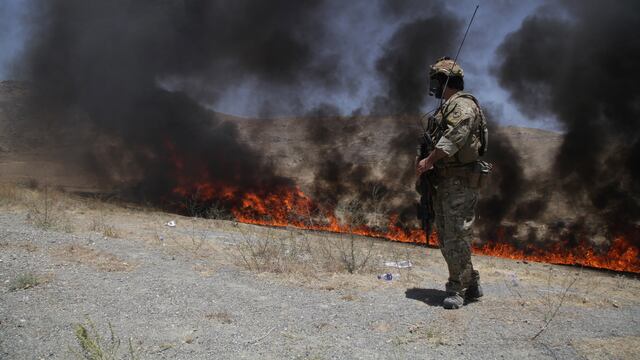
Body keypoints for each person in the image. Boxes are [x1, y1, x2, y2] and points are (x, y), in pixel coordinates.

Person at [416, 56, 489, 309]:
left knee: (457, 236)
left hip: (459, 182)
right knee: (446, 237)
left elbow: (455, 137)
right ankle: (472, 281)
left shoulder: (463, 106)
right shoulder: (446, 108)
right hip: (445, 183)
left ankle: (457, 289)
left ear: (445, 81)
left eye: (436, 80)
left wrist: (430, 159)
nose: (434, 86)